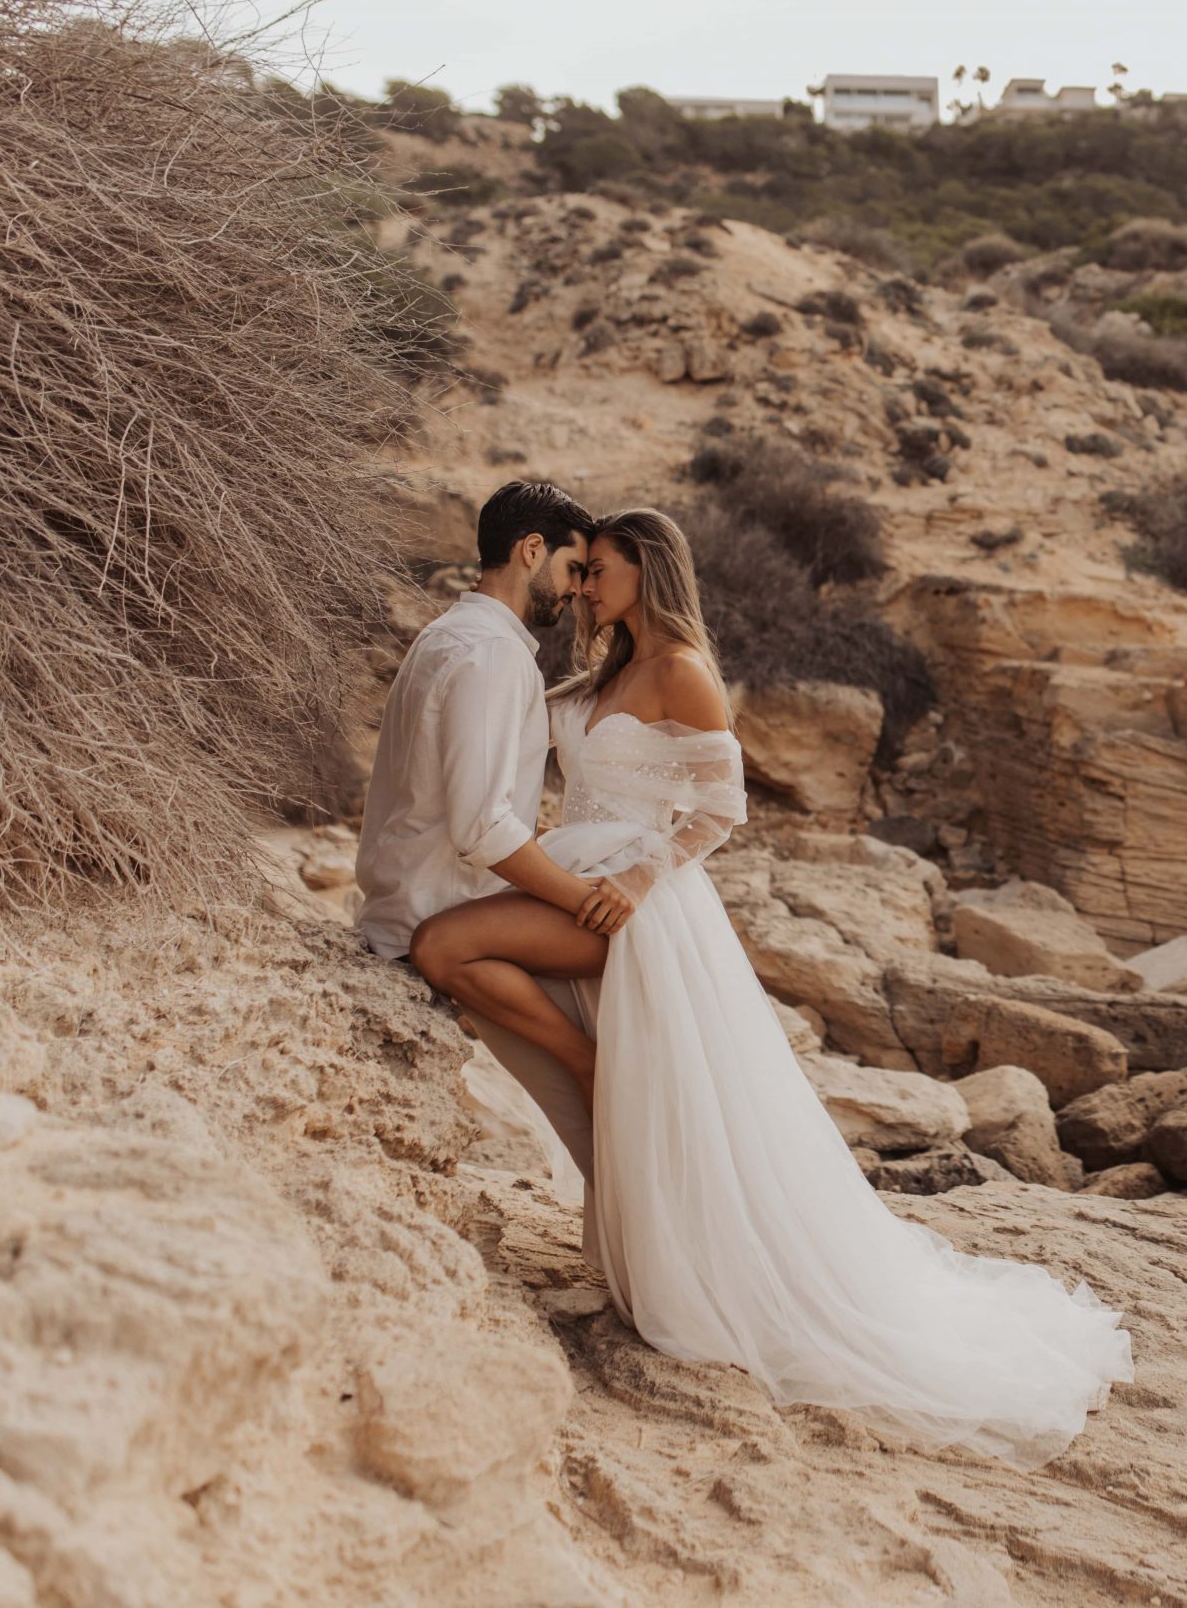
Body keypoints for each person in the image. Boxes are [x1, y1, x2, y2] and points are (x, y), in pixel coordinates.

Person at [406, 507, 1133, 1471]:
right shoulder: (600, 670)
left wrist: (637, 876)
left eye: (602, 573)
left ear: (648, 572)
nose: (584, 588)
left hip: (634, 902)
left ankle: (596, 1065)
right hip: (577, 874)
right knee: (456, 953)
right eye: (580, 575)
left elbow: (722, 808)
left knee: (449, 948)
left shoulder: (682, 671)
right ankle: (596, 1067)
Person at [355, 479, 605, 1184]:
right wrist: (579, 897)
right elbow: (482, 828)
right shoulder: (493, 656)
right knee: (645, 949)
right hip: (439, 915)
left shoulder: (453, 635)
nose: (578, 589)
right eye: (572, 568)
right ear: (531, 550)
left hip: (421, 900)